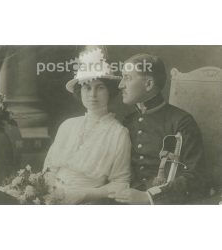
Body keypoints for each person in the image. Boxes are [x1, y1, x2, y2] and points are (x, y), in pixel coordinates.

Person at [109, 53, 209, 204]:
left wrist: (149, 196)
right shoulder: (128, 121)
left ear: (148, 84)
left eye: (127, 78)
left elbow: (196, 176)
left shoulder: (181, 121)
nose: (120, 85)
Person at [43, 58, 131, 204]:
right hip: (50, 197)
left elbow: (121, 183)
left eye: (100, 87)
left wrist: (82, 195)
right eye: (87, 87)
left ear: (110, 91)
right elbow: (48, 170)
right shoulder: (67, 125)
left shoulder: (118, 133)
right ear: (80, 91)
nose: (93, 94)